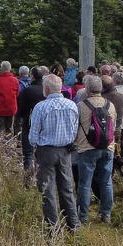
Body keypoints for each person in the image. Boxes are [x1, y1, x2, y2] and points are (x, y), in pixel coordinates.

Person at [29, 74, 80, 232]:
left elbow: (33, 136)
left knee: (47, 190)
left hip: (46, 151)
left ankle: (53, 228)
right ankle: (73, 225)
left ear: (46, 89)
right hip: (65, 150)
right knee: (67, 188)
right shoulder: (72, 105)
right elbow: (74, 130)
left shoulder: (41, 107)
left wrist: (35, 145)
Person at [75, 75, 117, 224]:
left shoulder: (81, 106)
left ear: (87, 89)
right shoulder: (110, 105)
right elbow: (114, 127)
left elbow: (75, 127)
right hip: (108, 147)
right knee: (106, 182)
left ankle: (83, 216)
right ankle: (106, 214)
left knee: (84, 184)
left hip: (87, 148)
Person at [17, 66, 47, 171]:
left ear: (32, 76)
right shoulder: (46, 90)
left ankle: (28, 178)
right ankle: (40, 175)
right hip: (45, 126)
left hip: (29, 124)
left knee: (28, 153)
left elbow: (22, 110)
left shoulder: (27, 90)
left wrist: (20, 117)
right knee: (41, 153)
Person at [0, 61, 20, 137]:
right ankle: (10, 143)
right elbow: (17, 94)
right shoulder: (15, 80)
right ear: (10, 69)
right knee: (10, 127)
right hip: (11, 107)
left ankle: (2, 143)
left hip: (0, 107)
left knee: (0, 127)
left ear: (1, 69)